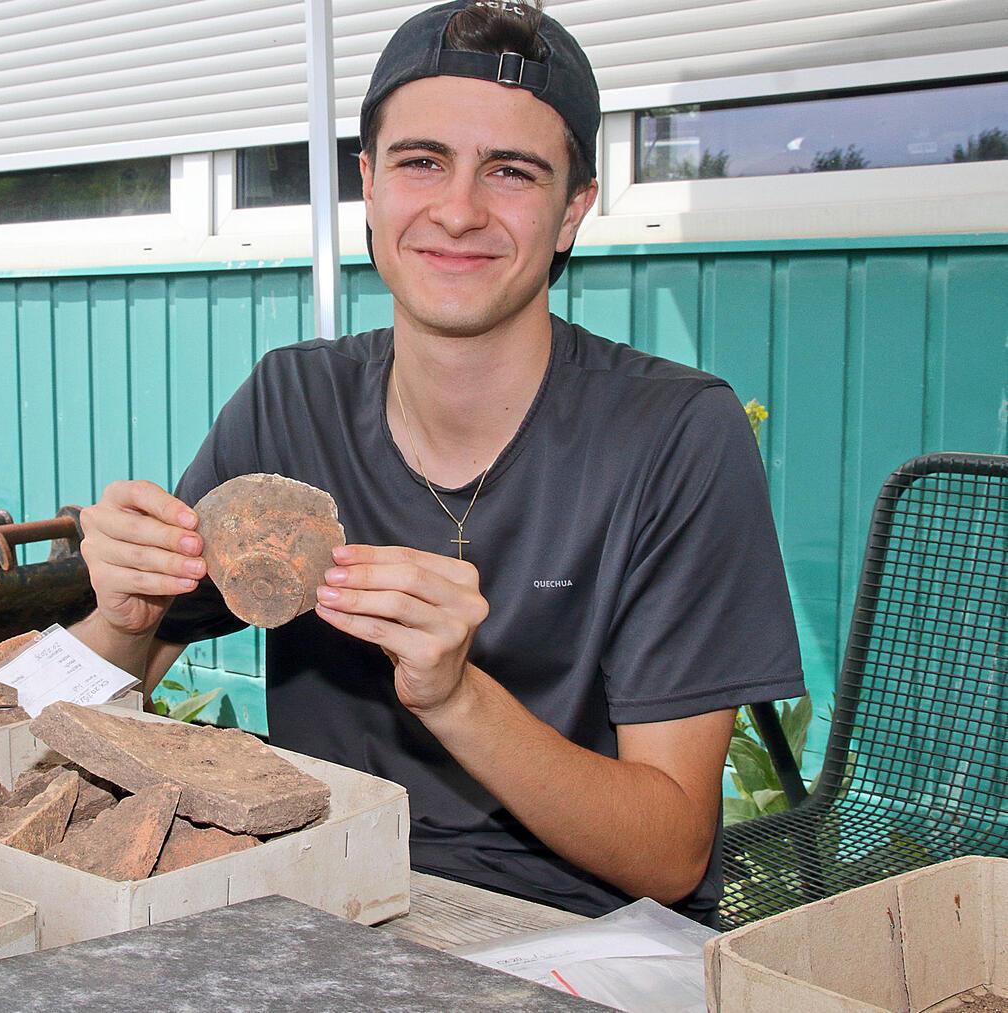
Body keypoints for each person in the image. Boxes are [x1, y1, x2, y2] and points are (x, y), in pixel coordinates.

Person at [71, 0, 804, 925]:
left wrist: (456, 696)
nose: (458, 211)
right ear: (370, 185)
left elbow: (671, 848)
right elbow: (89, 713)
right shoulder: (290, 403)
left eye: (512, 172)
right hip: (309, 899)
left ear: (574, 209)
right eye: (423, 162)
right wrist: (125, 623)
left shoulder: (674, 436)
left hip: (573, 929)